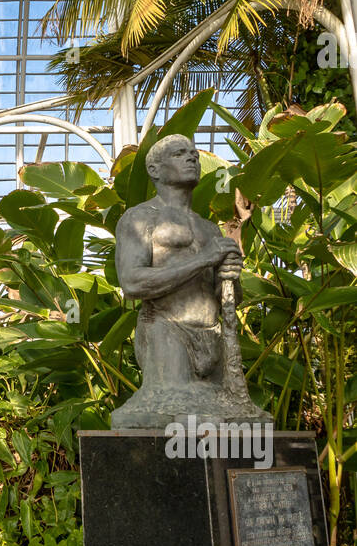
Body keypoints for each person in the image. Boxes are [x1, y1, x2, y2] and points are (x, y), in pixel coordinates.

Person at [111, 134, 269, 428]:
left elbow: (225, 298)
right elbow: (132, 283)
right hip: (166, 330)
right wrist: (203, 259)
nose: (192, 158)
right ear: (155, 170)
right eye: (179, 153)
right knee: (179, 410)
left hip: (213, 335)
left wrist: (230, 278)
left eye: (194, 154)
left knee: (234, 420)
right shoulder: (139, 218)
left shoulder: (209, 228)